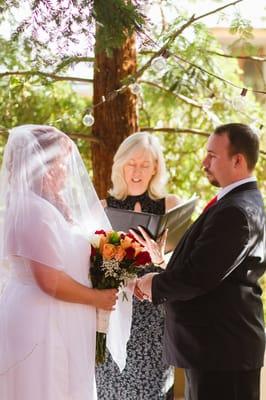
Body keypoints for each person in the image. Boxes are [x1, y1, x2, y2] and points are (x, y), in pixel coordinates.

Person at [134, 123, 266, 400]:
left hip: (221, 353)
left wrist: (152, 283)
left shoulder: (237, 211)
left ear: (238, 160)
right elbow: (215, 267)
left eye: (212, 155)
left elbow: (199, 276)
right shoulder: (238, 202)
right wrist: (163, 261)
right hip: (215, 351)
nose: (204, 162)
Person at [0, 125, 118, 400]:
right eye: (63, 163)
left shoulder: (45, 206)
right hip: (44, 320)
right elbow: (49, 280)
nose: (68, 170)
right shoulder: (34, 210)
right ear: (46, 167)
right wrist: (96, 298)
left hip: (58, 313)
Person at [95, 132, 180, 400]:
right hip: (116, 314)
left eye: (145, 164)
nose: (137, 170)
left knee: (154, 390)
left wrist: (161, 259)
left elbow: (188, 269)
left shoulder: (171, 205)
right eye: (131, 163)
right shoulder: (102, 208)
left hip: (156, 318)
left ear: (156, 167)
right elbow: (94, 269)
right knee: (113, 391)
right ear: (120, 164)